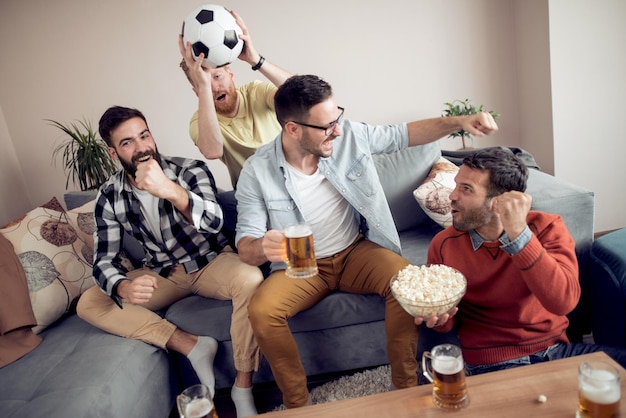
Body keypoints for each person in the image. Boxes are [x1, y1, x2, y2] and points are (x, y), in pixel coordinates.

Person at [234, 74, 499, 408]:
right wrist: (263, 247)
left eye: (337, 117)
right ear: (292, 129)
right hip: (301, 267)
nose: (338, 130)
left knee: (405, 281)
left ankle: (405, 389)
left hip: (355, 251)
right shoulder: (257, 171)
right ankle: (297, 405)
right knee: (261, 311)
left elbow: (406, 134)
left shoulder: (349, 138)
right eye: (327, 125)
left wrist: (460, 122)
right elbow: (246, 247)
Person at [76, 106, 263, 417]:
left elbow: (216, 222)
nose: (141, 148)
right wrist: (123, 287)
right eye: (127, 143)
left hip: (211, 262)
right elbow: (103, 260)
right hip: (163, 272)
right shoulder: (109, 194)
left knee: (252, 279)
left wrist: (172, 192)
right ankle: (191, 345)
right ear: (113, 153)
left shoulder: (190, 170)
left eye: (144, 135)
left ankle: (243, 388)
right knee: (89, 303)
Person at [415, 147, 626, 375]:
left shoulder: (547, 227)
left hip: (555, 352)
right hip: (486, 363)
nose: (452, 195)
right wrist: (437, 318)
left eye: (466, 189)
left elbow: (563, 302)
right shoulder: (444, 244)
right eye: (456, 185)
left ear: (500, 202)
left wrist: (518, 234)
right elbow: (444, 323)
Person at [179, 10, 292, 248]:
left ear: (231, 74)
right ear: (196, 92)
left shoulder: (256, 92)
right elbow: (212, 151)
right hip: (255, 199)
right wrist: (203, 85)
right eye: (204, 83)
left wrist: (255, 60)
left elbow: (304, 96)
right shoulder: (198, 120)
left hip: (292, 181)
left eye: (218, 76)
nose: (215, 86)